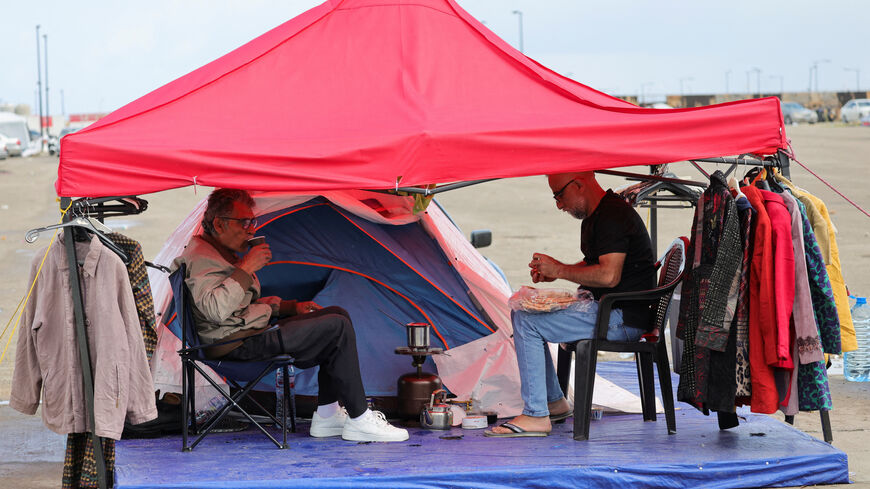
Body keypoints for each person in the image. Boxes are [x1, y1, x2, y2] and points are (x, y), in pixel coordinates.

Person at [173, 188, 408, 442]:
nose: (251, 229)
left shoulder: (216, 255)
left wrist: (289, 308)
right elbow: (216, 310)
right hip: (233, 345)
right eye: (244, 222)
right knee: (336, 327)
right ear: (219, 224)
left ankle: (328, 416)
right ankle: (360, 418)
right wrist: (247, 266)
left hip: (242, 335)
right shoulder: (200, 258)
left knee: (337, 315)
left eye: (253, 222)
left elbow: (238, 307)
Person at [486, 172, 656, 437]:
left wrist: (561, 270)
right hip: (611, 310)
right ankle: (553, 403)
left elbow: (609, 276)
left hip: (621, 318)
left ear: (578, 184)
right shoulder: (598, 215)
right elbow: (593, 265)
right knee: (525, 311)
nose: (558, 204)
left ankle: (536, 415)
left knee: (526, 321)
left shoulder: (613, 216)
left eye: (559, 195)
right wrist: (556, 272)